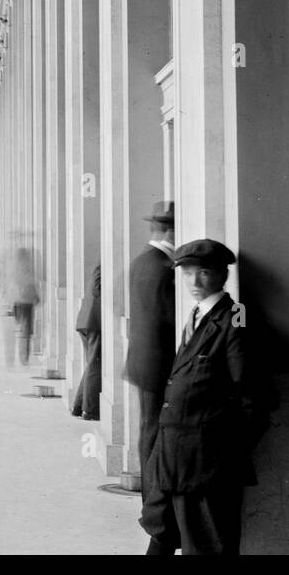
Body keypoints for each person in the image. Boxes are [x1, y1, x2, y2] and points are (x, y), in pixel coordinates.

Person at [140, 239, 271, 555]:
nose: (194, 282)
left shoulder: (235, 316)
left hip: (204, 463)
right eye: (187, 274)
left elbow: (251, 398)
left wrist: (222, 453)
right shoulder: (197, 314)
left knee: (204, 545)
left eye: (204, 273)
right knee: (160, 531)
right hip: (171, 456)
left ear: (222, 275)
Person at [124, 201, 176, 499]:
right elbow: (170, 318)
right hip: (159, 361)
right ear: (170, 231)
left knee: (148, 427)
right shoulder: (164, 267)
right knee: (154, 429)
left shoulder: (142, 260)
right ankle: (152, 498)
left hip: (143, 359)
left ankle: (150, 495)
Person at [0, 243, 39, 366]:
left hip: (17, 301)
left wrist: (7, 299)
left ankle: (14, 358)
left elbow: (8, 285)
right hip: (26, 303)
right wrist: (36, 297)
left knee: (18, 329)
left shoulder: (13, 269)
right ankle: (24, 357)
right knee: (26, 331)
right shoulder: (28, 269)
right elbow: (31, 284)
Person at [72, 264, 101, 421]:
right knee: (95, 366)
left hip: (87, 321)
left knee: (92, 365)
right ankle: (90, 410)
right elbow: (97, 290)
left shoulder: (100, 265)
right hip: (93, 323)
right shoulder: (103, 266)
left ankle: (79, 406)